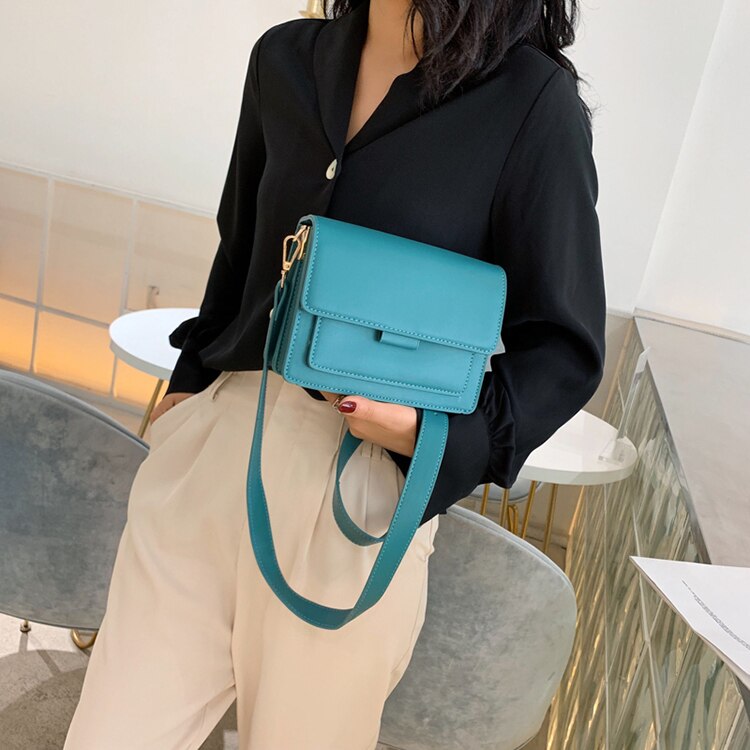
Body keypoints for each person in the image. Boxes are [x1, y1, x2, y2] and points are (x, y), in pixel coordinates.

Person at [64, 0, 606, 747]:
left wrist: (430, 436)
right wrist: (186, 398)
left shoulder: (530, 103)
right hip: (213, 455)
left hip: (359, 497)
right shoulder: (285, 58)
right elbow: (240, 253)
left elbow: (563, 345)